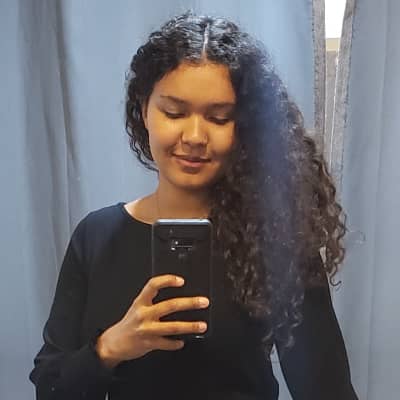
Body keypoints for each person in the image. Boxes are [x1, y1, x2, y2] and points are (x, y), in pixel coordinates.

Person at [29, 10, 359, 400]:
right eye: (174, 112)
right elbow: (50, 387)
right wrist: (111, 347)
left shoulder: (277, 240)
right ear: (144, 110)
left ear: (243, 127)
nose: (195, 136)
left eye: (219, 118)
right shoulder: (96, 237)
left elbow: (328, 391)